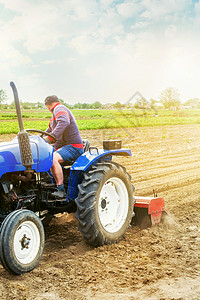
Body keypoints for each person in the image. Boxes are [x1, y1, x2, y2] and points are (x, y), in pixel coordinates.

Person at [44, 95, 84, 198]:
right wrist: (39, 139)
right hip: (64, 148)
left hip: (73, 147)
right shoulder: (54, 115)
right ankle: (47, 183)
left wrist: (50, 138)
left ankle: (60, 189)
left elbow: (64, 122)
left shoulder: (59, 108)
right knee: (43, 156)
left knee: (52, 158)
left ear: (47, 106)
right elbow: (48, 132)